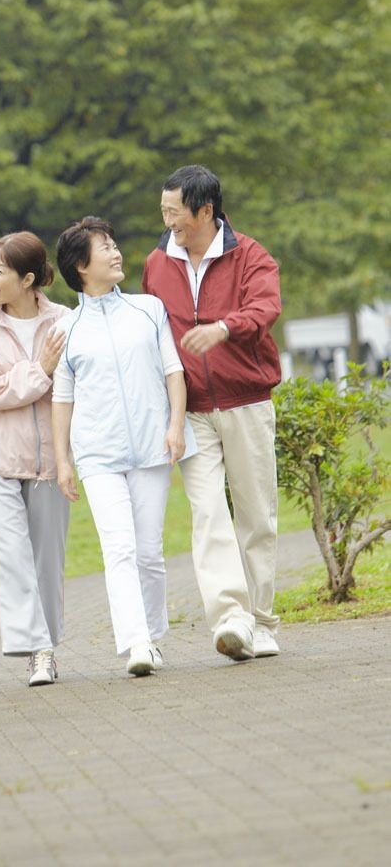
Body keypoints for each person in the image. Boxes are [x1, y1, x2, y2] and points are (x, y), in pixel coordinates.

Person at [142, 164, 282, 661]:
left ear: (205, 211)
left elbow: (266, 308)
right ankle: (231, 618)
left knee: (255, 516)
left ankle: (263, 622)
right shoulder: (157, 263)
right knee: (207, 514)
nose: (167, 221)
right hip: (193, 411)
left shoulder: (250, 255)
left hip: (247, 402)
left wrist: (223, 328)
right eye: (163, 211)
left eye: (174, 212)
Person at [51, 217, 196, 677]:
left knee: (149, 551)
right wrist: (63, 460)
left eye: (114, 244)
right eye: (105, 248)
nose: (116, 253)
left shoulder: (148, 310)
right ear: (81, 266)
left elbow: (174, 370)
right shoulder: (67, 328)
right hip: (98, 456)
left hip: (154, 448)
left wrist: (175, 426)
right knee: (118, 548)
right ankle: (135, 642)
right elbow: (62, 398)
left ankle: (152, 636)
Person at [0, 231, 70, 687]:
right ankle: (38, 652)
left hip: (50, 460)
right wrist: (40, 371)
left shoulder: (64, 322)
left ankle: (48, 646)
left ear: (27, 278)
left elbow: (75, 389)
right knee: (12, 557)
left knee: (47, 561)